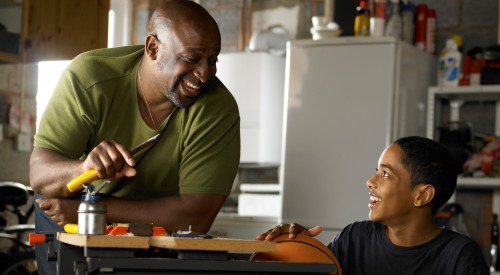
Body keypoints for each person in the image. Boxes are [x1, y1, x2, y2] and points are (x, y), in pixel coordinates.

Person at [29, 1, 240, 274]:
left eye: (213, 59)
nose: (206, 73)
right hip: (68, 217)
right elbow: (40, 174)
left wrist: (95, 208)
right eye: (191, 58)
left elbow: (195, 217)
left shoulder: (216, 109)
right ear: (153, 48)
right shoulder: (90, 77)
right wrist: (84, 170)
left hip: (133, 222)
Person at [257, 136, 489, 274]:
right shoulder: (354, 239)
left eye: (385, 174)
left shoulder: (460, 257)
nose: (370, 182)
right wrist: (296, 247)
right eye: (375, 171)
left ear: (422, 195)